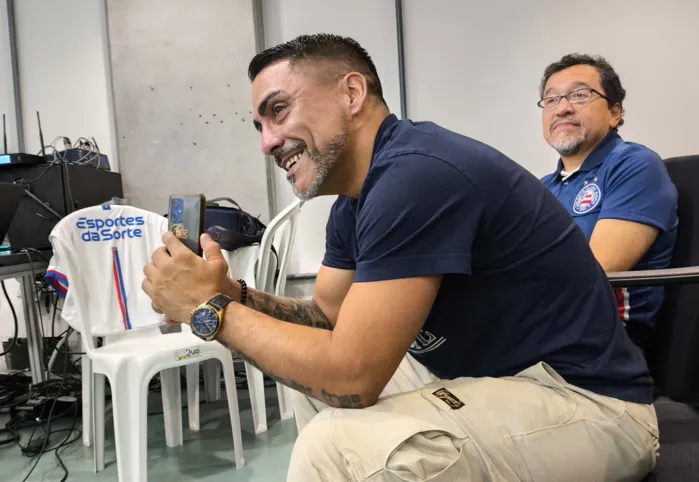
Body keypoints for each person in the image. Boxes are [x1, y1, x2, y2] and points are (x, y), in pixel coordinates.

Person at [142, 34, 658, 481]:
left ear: (351, 92)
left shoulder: (416, 175)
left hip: (590, 405)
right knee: (307, 384)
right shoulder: (355, 199)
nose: (268, 142)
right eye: (259, 125)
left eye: (278, 110)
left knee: (336, 446)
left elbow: (353, 376)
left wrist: (209, 310)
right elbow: (327, 318)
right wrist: (234, 294)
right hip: (487, 378)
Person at [539, 54, 678, 348]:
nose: (562, 108)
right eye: (550, 100)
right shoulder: (542, 188)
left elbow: (594, 271)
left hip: (599, 344)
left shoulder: (634, 165)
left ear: (615, 112)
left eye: (579, 95)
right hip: (538, 332)